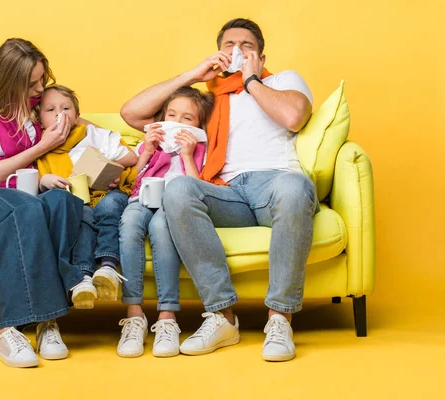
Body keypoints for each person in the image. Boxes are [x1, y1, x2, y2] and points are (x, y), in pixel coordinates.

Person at [120, 18, 317, 362]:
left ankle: (280, 319)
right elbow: (131, 114)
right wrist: (193, 76)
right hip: (226, 191)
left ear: (261, 54)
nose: (237, 50)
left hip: (275, 183)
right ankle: (222, 317)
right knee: (179, 189)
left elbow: (293, 117)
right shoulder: (208, 101)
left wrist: (251, 79)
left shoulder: (281, 81)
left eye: (247, 46)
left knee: (295, 185)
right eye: (229, 45)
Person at [0, 38, 94, 368]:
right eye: (31, 83)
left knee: (64, 201)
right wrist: (41, 146)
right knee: (27, 208)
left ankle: (47, 323)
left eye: (41, 80)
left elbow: (72, 126)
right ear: (8, 80)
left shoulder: (31, 110)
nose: (38, 90)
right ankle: (10, 329)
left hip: (30, 189)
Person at [116, 87, 214, 358]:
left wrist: (186, 154)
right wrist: (146, 151)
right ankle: (134, 315)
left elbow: (199, 188)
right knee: (129, 222)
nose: (177, 122)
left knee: (162, 228)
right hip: (142, 197)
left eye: (187, 118)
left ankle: (167, 316)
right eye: (171, 115)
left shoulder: (201, 149)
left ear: (199, 126)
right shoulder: (149, 143)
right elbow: (129, 182)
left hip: (175, 202)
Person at [36, 85, 137, 307]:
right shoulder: (39, 147)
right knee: (82, 215)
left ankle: (109, 267)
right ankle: (83, 278)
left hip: (109, 193)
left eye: (66, 108)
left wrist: (110, 168)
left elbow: (130, 158)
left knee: (109, 206)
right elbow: (35, 178)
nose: (59, 114)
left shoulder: (93, 135)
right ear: (39, 118)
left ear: (78, 116)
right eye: (50, 109)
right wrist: (46, 181)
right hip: (78, 201)